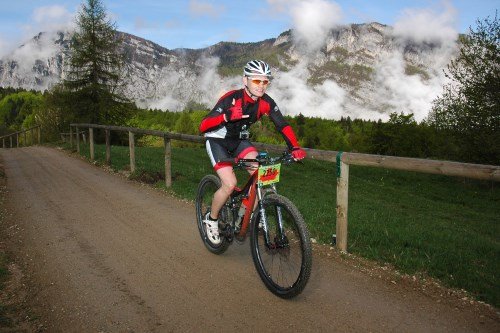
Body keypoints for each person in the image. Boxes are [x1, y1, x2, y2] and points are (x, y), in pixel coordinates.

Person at [199, 60, 306, 244]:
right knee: (230, 184)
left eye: (265, 81)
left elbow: (282, 125)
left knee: (261, 175)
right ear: (245, 80)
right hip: (217, 141)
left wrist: (294, 147)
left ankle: (243, 217)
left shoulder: (265, 102)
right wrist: (226, 116)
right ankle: (212, 219)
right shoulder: (231, 98)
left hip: (239, 141)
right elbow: (203, 125)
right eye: (257, 81)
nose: (261, 86)